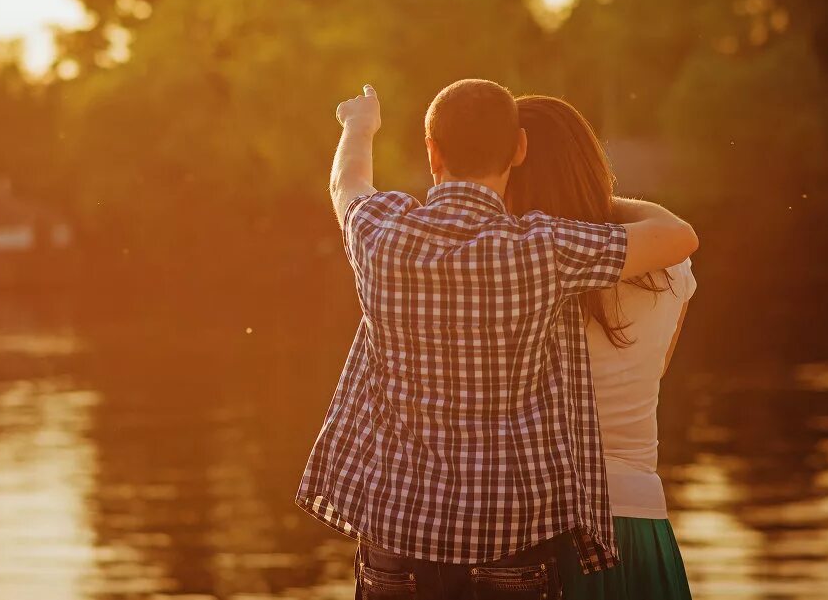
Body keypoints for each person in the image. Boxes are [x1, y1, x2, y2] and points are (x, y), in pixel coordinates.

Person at [296, 79, 698, 599]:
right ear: (517, 152)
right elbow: (678, 237)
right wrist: (586, 197)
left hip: (398, 543)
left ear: (432, 151)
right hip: (527, 540)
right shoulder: (544, 252)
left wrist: (359, 124)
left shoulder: (383, 234)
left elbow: (347, 182)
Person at [505, 95, 696, 600]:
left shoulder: (511, 275)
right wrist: (597, 205)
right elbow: (654, 372)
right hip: (642, 530)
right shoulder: (672, 270)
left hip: (537, 534)